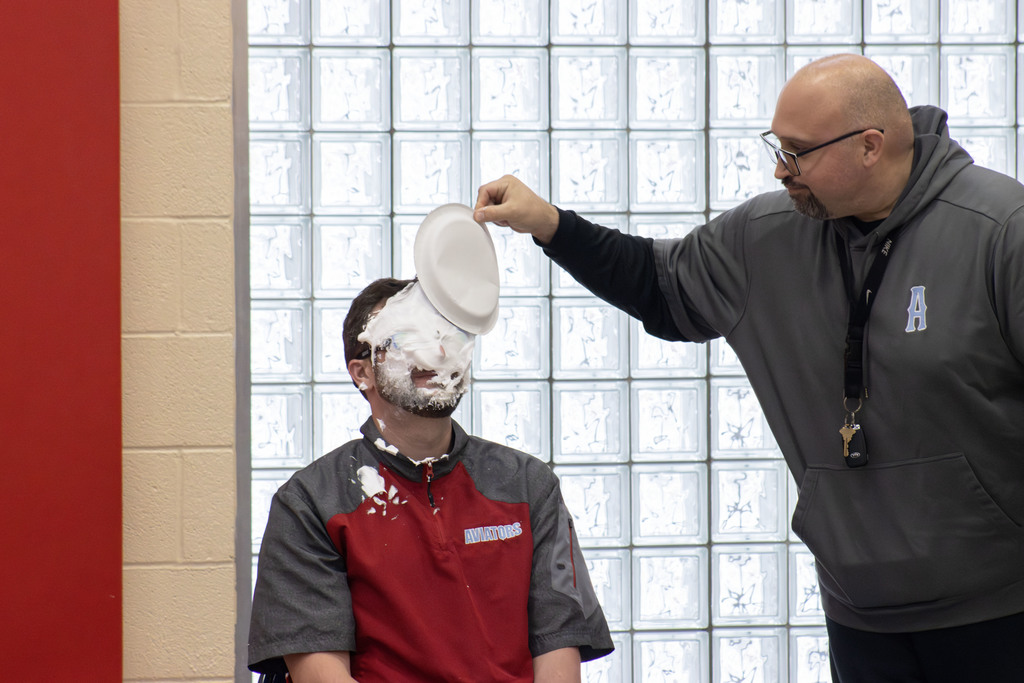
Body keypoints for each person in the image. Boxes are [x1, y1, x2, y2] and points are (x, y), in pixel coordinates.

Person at [473, 53, 1024, 682]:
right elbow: (659, 284)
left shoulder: (1000, 230)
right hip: (861, 614)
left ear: (870, 146)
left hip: (1002, 607)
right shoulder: (767, 237)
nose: (779, 168)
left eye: (797, 152)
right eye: (777, 147)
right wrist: (549, 225)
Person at [248, 277, 614, 683]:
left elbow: (559, 655)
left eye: (446, 334)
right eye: (406, 336)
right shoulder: (311, 502)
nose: (436, 351)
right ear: (362, 372)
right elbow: (321, 675)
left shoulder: (529, 485)